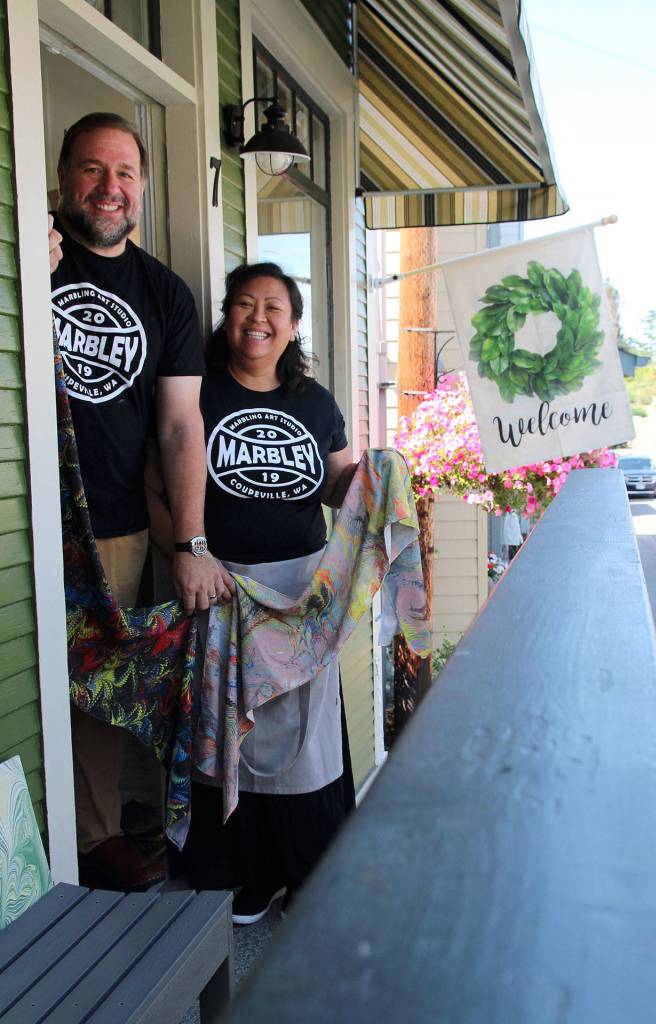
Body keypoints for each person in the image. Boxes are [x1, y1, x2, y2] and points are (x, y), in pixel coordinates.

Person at [49, 112, 233, 891]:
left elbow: (181, 424)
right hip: (27, 515)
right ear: (63, 178)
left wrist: (189, 544)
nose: (110, 187)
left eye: (124, 173)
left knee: (96, 686)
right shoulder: (32, 254)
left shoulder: (163, 292)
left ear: (144, 187)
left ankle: (92, 837)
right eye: (93, 170)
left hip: (115, 526)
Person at [148, 262, 357, 923]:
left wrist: (378, 485)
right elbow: (156, 487)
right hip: (222, 586)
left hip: (302, 595)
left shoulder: (316, 401)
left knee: (304, 743)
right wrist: (187, 556)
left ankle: (307, 874)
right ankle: (240, 878)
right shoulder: (198, 393)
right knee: (226, 740)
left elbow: (338, 486)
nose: (257, 317)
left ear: (293, 326)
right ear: (226, 315)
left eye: (273, 307)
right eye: (244, 304)